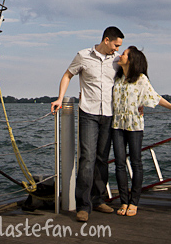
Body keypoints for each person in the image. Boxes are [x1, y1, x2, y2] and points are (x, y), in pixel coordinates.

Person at [51, 26, 124, 222]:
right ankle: (83, 206)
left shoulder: (117, 61)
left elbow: (131, 78)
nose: (117, 49)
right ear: (106, 39)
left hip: (110, 114)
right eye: (116, 45)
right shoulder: (83, 56)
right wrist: (60, 98)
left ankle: (98, 199)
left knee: (102, 158)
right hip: (88, 113)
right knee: (87, 158)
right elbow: (68, 75)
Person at [111, 46, 171, 217]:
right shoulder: (118, 78)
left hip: (135, 126)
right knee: (120, 164)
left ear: (131, 60)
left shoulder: (141, 79)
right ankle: (123, 200)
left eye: (124, 54)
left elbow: (155, 97)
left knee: (136, 162)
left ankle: (134, 202)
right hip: (117, 125)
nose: (120, 55)